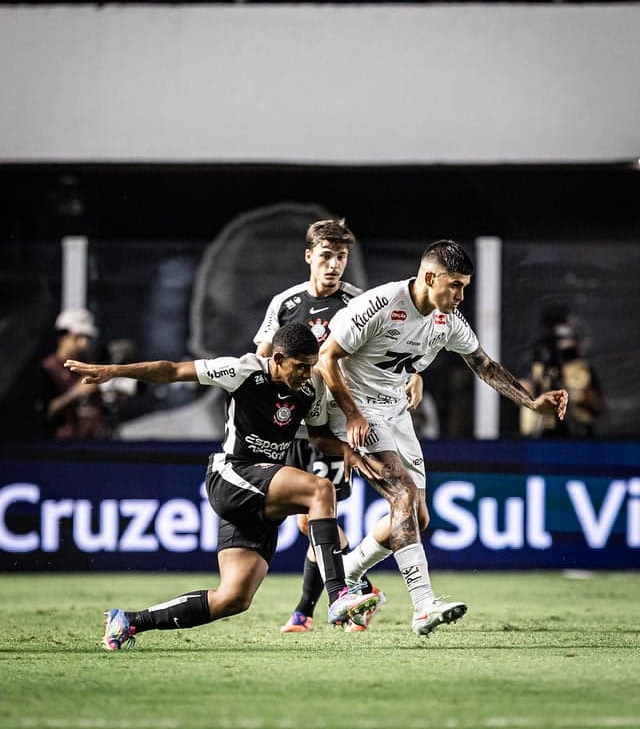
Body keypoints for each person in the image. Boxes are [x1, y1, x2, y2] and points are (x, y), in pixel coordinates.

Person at [65, 322, 379, 651]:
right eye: (300, 365)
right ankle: (339, 594)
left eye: (312, 364)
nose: (307, 372)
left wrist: (344, 450)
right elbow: (171, 371)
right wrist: (114, 370)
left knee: (233, 598)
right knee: (321, 490)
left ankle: (128, 621)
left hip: (259, 492)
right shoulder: (242, 369)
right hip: (232, 474)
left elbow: (317, 437)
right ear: (277, 357)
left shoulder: (311, 386)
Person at [315, 239, 569, 637]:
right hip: (356, 410)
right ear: (429, 277)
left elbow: (483, 364)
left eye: (465, 286)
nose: (460, 295)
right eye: (455, 285)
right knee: (401, 494)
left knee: (416, 516)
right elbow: (327, 357)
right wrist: (351, 414)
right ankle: (422, 606)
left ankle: (346, 572)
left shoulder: (445, 320)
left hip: (395, 412)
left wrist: (531, 403)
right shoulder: (381, 304)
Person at [253, 218, 419, 633]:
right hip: (297, 420)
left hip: (335, 419)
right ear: (309, 256)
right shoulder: (285, 303)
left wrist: (415, 374)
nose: (333, 265)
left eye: (341, 257)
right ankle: (355, 589)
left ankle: (308, 611)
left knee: (315, 514)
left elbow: (394, 349)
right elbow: (261, 358)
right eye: (326, 256)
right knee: (309, 520)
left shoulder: (361, 302)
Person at [519, 309, 604, 438]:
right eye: (556, 339)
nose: (561, 344)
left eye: (567, 338)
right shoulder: (535, 367)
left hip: (576, 433)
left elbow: (597, 406)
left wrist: (578, 394)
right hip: (539, 435)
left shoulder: (581, 368)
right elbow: (521, 392)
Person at [34, 307, 107, 440]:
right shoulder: (47, 368)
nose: (84, 343)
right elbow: (43, 412)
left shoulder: (90, 367)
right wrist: (76, 393)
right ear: (63, 336)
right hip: (61, 447)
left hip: (94, 443)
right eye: (78, 337)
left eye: (88, 338)